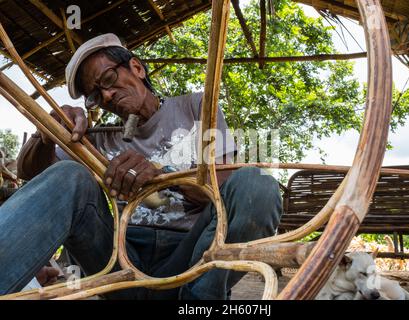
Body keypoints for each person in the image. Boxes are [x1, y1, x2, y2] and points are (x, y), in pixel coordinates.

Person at [0, 34, 282, 299]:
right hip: (120, 260)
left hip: (194, 256)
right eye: (95, 95)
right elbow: (28, 172)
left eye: (108, 79)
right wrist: (48, 133)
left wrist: (163, 175)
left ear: (136, 68)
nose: (107, 96)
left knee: (256, 183)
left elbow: (221, 188)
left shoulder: (198, 107)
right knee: (68, 175)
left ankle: (200, 302)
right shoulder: (97, 140)